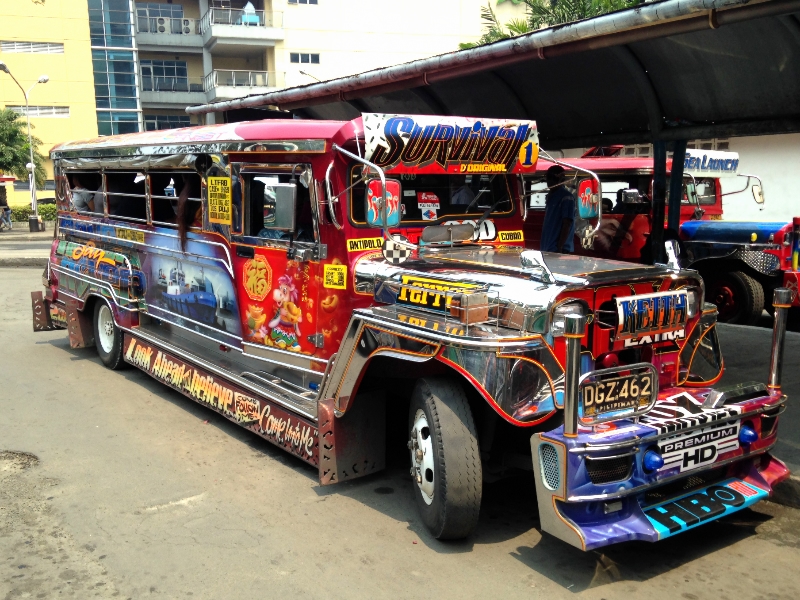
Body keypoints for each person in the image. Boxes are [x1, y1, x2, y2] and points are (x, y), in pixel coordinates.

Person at [540, 165, 576, 253]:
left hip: (559, 249)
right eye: (548, 178)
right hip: (547, 247)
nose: (549, 181)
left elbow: (567, 223)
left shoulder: (567, 197)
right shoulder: (551, 196)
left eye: (553, 178)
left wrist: (560, 246)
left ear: (561, 180)